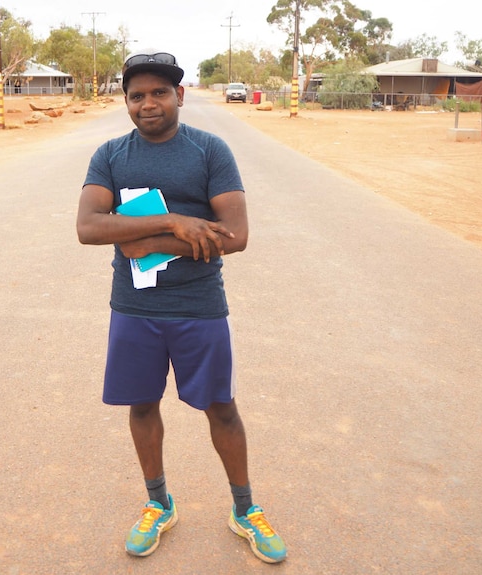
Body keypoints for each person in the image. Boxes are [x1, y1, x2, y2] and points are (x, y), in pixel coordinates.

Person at [76, 50, 287, 564]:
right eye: (137, 95)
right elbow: (89, 228)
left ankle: (244, 509)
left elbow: (234, 236)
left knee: (222, 408)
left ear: (180, 96)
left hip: (199, 305)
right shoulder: (110, 155)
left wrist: (147, 243)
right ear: (126, 102)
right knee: (142, 405)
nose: (148, 104)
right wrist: (174, 223)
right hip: (134, 308)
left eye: (159, 93)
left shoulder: (210, 151)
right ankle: (158, 503)